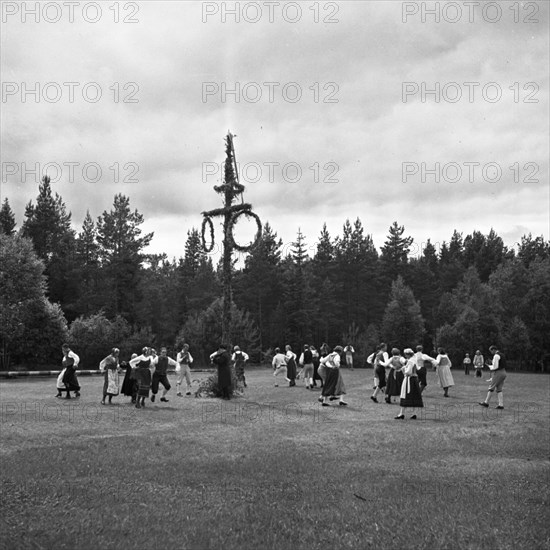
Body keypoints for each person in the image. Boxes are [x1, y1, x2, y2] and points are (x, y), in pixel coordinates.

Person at [395, 348, 423, 420]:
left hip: (409, 380)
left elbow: (408, 372)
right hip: (414, 379)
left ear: (407, 354)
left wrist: (404, 369)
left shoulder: (410, 361)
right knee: (414, 396)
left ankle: (401, 414)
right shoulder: (414, 360)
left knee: (405, 395)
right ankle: (414, 413)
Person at [479, 345, 507, 410]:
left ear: (493, 350)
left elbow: (496, 367)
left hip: (498, 373)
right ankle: (501, 405)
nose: (491, 352)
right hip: (504, 372)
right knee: (499, 389)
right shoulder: (502, 354)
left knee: (491, 387)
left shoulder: (496, 356)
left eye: (491, 351)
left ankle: (486, 402)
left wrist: (490, 366)